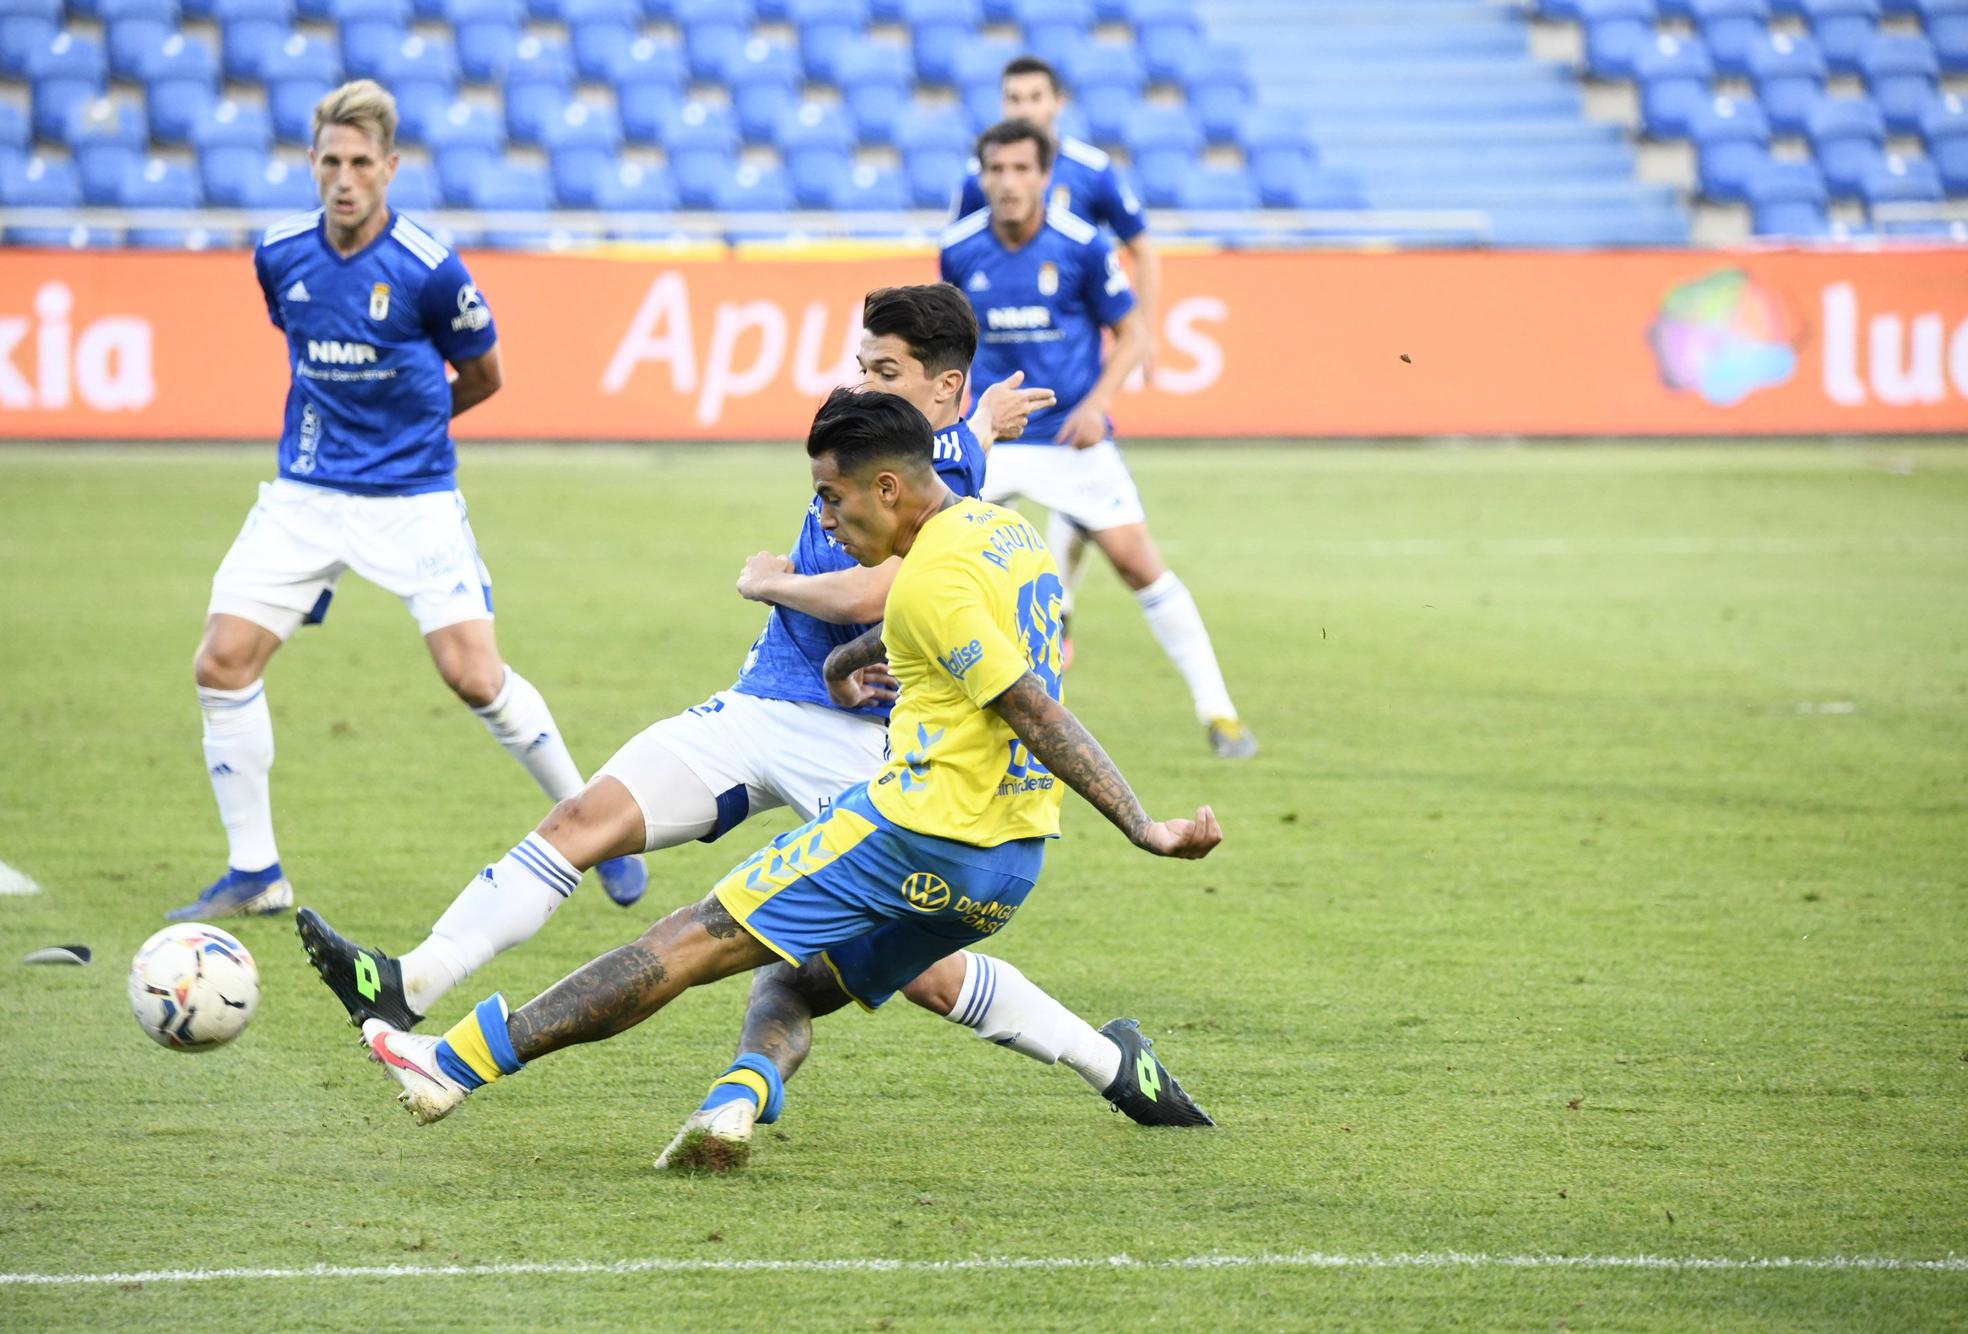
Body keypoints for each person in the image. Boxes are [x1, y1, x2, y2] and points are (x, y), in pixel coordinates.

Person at [297, 289, 1202, 1155]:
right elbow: (909, 629)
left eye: (835, 499)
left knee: (697, 943)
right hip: (982, 838)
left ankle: (453, 1064)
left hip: (901, 800)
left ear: (899, 466)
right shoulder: (997, 523)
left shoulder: (927, 522)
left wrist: (1144, 827)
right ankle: (721, 1091)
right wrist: (849, 665)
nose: (827, 514)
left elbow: (999, 681)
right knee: (770, 947)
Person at [172, 79, 643, 922]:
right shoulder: (279, 254)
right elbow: (300, 345)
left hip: (411, 496)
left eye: (361, 162)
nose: (344, 178)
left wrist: (413, 435)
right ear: (311, 164)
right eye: (330, 161)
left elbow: (487, 375)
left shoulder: (430, 270)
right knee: (221, 664)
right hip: (305, 493)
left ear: (390, 168)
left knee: (473, 676)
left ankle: (593, 821)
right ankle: (256, 872)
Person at [944, 119, 1257, 759]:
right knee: (922, 560)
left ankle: (1219, 713)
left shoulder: (1083, 245)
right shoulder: (958, 248)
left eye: (1021, 169)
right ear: (981, 176)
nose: (1007, 182)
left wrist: (1097, 404)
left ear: (1044, 176)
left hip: (1070, 440)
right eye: (996, 170)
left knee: (1139, 562)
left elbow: (1134, 333)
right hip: (990, 437)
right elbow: (949, 345)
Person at [953, 54, 1161, 670]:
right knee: (984, 512)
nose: (1023, 109)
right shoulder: (983, 178)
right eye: (1012, 99)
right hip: (1007, 359)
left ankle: (1058, 598)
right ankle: (1046, 603)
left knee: (1081, 476)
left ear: (1056, 103)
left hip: (1074, 348)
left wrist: (1143, 331)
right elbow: (966, 269)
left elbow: (1140, 248)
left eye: (1033, 98)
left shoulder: (1093, 172)